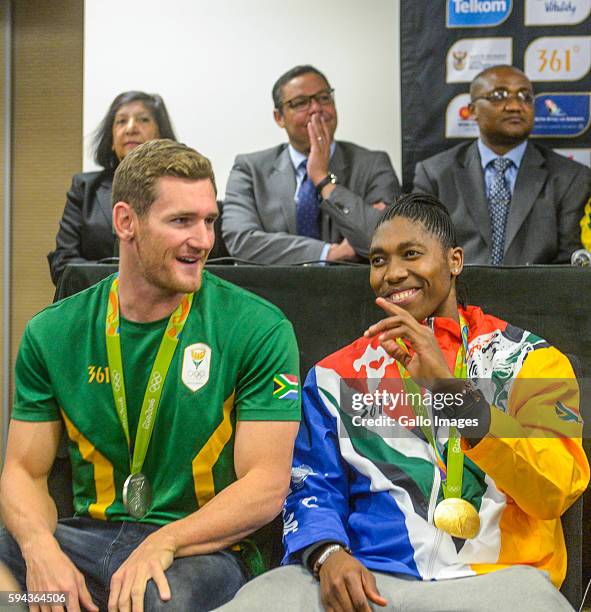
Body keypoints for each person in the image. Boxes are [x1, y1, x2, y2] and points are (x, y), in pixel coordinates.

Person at [218, 193, 589, 611]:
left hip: (496, 584)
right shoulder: (335, 375)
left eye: (411, 254)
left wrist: (452, 392)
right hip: (370, 582)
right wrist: (327, 554)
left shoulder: (529, 360)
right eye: (378, 261)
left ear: (454, 260)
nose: (393, 273)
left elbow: (555, 488)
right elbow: (311, 484)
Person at [1, 139, 301, 611]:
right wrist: (40, 549)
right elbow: (22, 470)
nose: (203, 240)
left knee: (152, 601)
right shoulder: (52, 331)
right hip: (86, 541)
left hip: (195, 550)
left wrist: (167, 542)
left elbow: (266, 484)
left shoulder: (259, 328)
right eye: (182, 221)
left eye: (209, 221)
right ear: (126, 222)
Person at [222, 64, 401, 264]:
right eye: (300, 103)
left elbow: (386, 240)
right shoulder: (250, 169)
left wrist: (323, 179)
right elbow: (241, 241)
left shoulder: (373, 164)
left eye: (324, 98)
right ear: (279, 117)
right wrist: (328, 253)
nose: (316, 108)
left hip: (352, 290)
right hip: (272, 292)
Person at [413, 65, 591, 265]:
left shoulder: (571, 177)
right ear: (472, 111)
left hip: (539, 293)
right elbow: (421, 251)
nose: (515, 106)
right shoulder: (434, 174)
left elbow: (570, 263)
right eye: (499, 95)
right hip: (457, 293)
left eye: (525, 97)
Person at [47, 91, 177, 286]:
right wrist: (128, 282)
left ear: (160, 135)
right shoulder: (85, 189)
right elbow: (63, 265)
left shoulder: (181, 189)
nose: (131, 128)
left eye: (143, 119)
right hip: (95, 309)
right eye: (121, 121)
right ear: (111, 141)